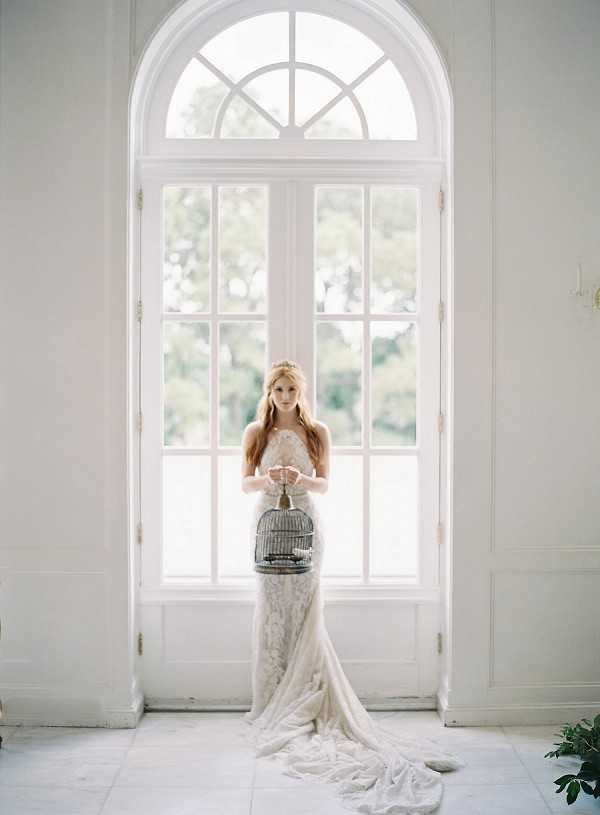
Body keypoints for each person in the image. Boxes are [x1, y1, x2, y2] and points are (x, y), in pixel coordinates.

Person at [240, 359, 463, 814]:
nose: (285, 397)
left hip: (306, 528)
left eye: (291, 390)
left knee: (304, 613)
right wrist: (269, 478)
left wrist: (302, 480)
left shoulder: (316, 430)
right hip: (268, 524)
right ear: (269, 392)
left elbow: (325, 484)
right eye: (278, 390)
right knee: (273, 613)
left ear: (301, 392)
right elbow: (245, 483)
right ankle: (272, 701)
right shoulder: (255, 431)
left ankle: (306, 695)